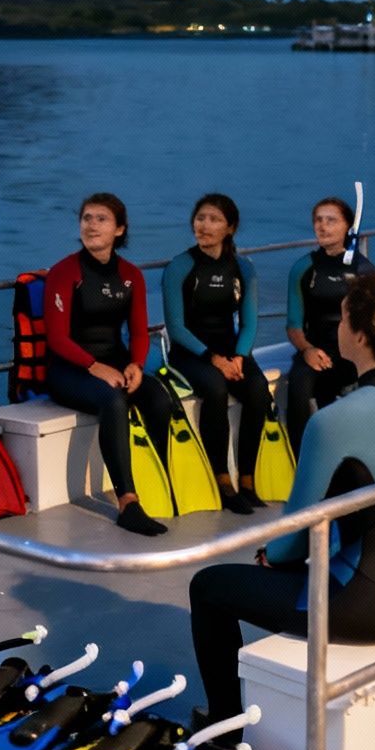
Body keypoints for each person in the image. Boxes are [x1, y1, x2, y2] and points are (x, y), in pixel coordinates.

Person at [189, 273, 375, 723]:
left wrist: (270, 557)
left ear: (358, 334)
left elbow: (292, 540)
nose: (338, 327)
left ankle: (223, 724)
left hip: (368, 611)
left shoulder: (338, 419)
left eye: (342, 317)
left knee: (208, 586)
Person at [44, 193, 175, 537]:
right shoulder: (65, 272)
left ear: (120, 229)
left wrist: (136, 364)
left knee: (159, 398)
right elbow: (57, 339)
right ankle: (127, 503)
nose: (91, 225)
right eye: (87, 218)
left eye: (101, 219)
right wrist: (94, 366)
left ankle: (158, 484)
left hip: (116, 364)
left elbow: (139, 331)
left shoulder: (131, 275)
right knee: (113, 401)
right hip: (68, 370)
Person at [161, 194, 271, 514]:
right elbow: (176, 327)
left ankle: (248, 480)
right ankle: (223, 480)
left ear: (230, 228)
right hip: (190, 353)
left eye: (214, 220)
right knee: (215, 388)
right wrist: (215, 359)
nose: (204, 226)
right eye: (200, 218)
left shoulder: (243, 268)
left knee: (258, 390)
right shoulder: (181, 266)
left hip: (229, 350)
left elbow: (249, 322)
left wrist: (238, 357)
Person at [284, 196, 375, 448]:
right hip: (314, 350)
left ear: (348, 226)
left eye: (331, 220)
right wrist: (307, 350)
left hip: (353, 352)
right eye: (318, 220)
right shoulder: (303, 268)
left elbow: (374, 323)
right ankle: (301, 457)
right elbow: (293, 324)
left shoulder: (364, 270)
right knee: (299, 388)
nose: (323, 226)